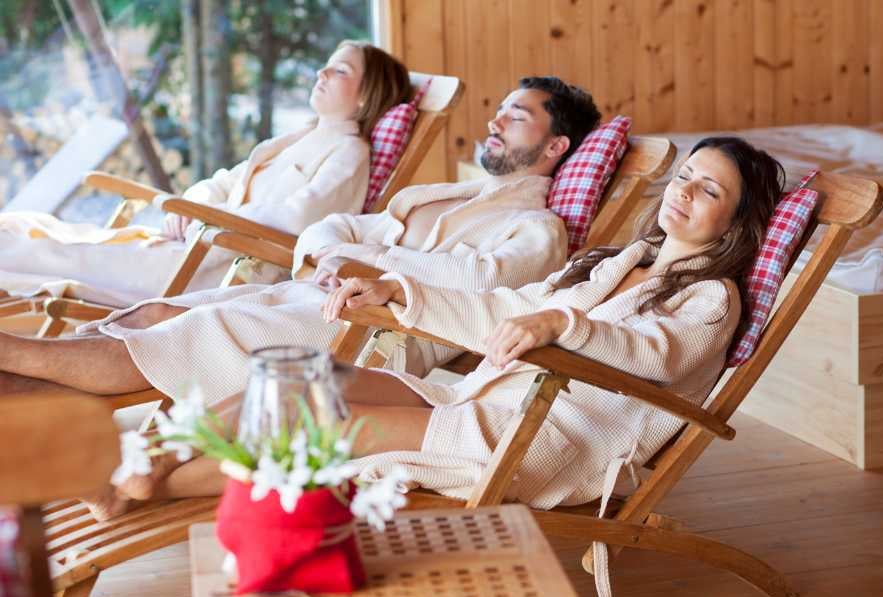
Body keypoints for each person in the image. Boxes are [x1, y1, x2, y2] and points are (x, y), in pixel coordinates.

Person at [103, 136, 785, 515]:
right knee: (307, 377)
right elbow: (502, 310)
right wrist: (401, 289)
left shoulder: (709, 300)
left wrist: (559, 324)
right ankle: (151, 465)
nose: (684, 193)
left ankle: (138, 481)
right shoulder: (610, 264)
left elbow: (653, 357)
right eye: (685, 176)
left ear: (736, 222)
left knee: (331, 425)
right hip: (480, 400)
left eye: (709, 190)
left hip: (544, 438)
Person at [0, 77, 601, 428]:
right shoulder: (448, 193)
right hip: (323, 295)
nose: (495, 121)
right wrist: (336, 257)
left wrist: (366, 264)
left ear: (556, 147)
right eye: (499, 110)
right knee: (155, 313)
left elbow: (473, 284)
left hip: (379, 333)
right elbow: (333, 227)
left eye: (516, 116)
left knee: (197, 326)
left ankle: (12, 354)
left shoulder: (538, 227)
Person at [0, 41, 411, 307]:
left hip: (220, 265)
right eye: (325, 65)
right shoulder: (298, 137)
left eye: (339, 71)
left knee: (59, 253)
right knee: (42, 230)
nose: (322, 73)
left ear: (365, 97)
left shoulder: (349, 153)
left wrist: (208, 224)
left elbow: (300, 224)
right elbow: (225, 181)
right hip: (195, 242)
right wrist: (194, 204)